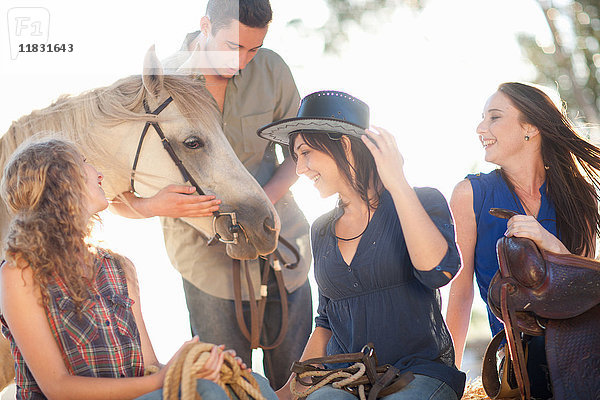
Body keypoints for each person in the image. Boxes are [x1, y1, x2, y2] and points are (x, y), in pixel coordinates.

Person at [110, 0, 312, 389]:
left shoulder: (272, 69)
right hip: (206, 264)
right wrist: (152, 206)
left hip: (281, 247)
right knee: (225, 385)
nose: (242, 61)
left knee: (298, 383)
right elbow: (115, 192)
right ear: (205, 26)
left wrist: (261, 201)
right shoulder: (158, 82)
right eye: (233, 47)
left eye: (253, 49)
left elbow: (300, 154)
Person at [0, 138, 277, 400]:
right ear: (58, 180)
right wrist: (164, 380)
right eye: (83, 161)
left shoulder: (119, 268)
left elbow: (150, 366)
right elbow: (57, 388)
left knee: (254, 384)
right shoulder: (20, 272)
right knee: (206, 394)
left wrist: (201, 367)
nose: (98, 173)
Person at [256, 90, 466, 400]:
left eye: (305, 153)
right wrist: (287, 391)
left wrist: (397, 182)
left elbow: (438, 271)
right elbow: (326, 320)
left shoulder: (421, 201)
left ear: (342, 144)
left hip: (419, 374)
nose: (299, 169)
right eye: (295, 157)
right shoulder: (321, 230)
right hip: (346, 380)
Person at [445, 82, 600, 399]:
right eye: (483, 117)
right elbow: (459, 296)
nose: (480, 127)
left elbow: (587, 291)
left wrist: (550, 245)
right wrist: (448, 378)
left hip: (580, 344)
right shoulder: (469, 194)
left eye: (494, 117)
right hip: (518, 354)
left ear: (530, 128)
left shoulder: (578, 195)